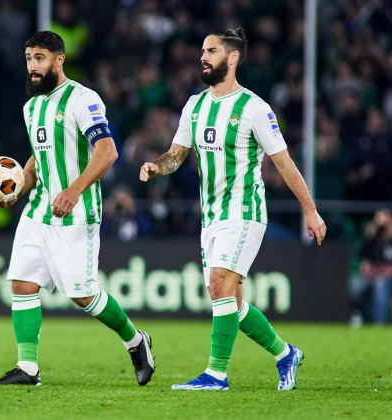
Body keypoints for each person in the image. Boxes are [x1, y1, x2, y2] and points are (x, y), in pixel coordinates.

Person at [140, 28, 327, 391]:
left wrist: (310, 210)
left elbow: (285, 164)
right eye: (202, 50)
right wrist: (155, 166)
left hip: (244, 211)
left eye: (211, 51)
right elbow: (176, 155)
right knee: (230, 301)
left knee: (219, 284)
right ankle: (285, 353)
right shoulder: (194, 105)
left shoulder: (255, 109)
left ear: (233, 57)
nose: (203, 57)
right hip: (210, 216)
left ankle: (216, 374)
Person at [0, 32, 154, 387]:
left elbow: (107, 151)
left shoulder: (82, 99)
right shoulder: (31, 107)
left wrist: (74, 190)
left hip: (76, 212)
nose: (33, 66)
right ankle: (28, 368)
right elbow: (37, 161)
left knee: (82, 294)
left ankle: (137, 341)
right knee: (22, 284)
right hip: (38, 212)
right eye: (29, 58)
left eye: (40, 58)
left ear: (59, 60)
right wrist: (15, 190)